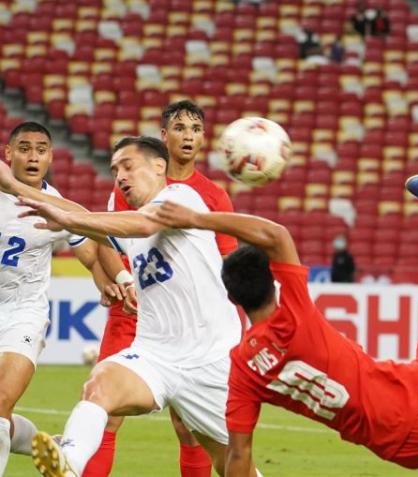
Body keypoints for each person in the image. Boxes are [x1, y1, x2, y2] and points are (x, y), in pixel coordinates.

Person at [144, 173, 418, 477]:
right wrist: (197, 217)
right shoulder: (294, 313)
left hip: (397, 448)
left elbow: (238, 454)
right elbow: (276, 234)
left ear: (232, 298)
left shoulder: (244, 369)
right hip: (416, 399)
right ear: (275, 279)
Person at [16, 137, 257, 477]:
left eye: (128, 166)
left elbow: (142, 224)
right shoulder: (132, 224)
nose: (120, 177)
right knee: (100, 384)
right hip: (155, 355)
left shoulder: (180, 198)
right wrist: (59, 213)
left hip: (210, 359)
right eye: (115, 170)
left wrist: (66, 217)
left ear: (159, 166)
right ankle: (69, 461)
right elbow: (101, 223)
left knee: (232, 465)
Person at [88, 100, 238, 477]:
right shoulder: (130, 179)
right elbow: (108, 238)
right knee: (104, 412)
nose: (188, 135)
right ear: (163, 137)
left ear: (203, 138)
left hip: (190, 327)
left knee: (191, 430)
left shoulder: (213, 195)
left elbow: (226, 262)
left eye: (195, 128)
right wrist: (118, 280)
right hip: (132, 317)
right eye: (180, 127)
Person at [0, 122, 120, 476]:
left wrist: (104, 280)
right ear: (8, 154)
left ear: (51, 157)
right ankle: (42, 442)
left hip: (24, 313)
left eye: (40, 149)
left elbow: (89, 246)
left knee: (1, 402)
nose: (32, 156)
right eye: (24, 148)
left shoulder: (58, 207)